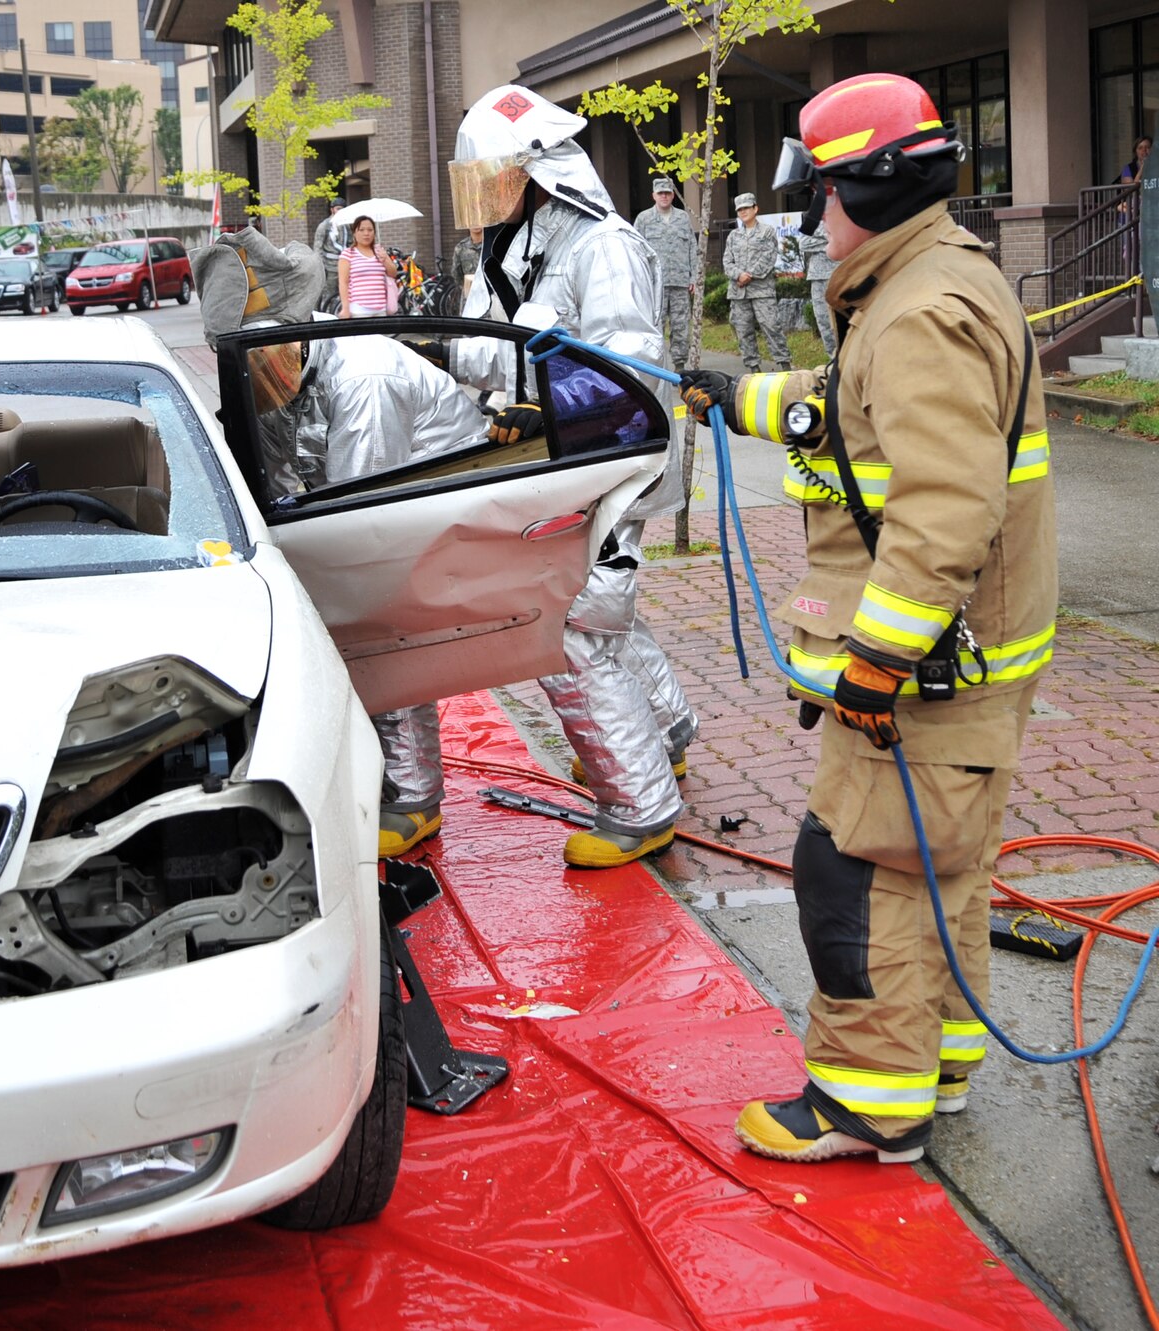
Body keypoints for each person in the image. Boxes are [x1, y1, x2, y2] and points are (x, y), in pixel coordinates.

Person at [678, 73, 1055, 1165]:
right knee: (937, 862)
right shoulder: (922, 281)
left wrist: (878, 660)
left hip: (930, 664)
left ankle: (862, 1101)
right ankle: (931, 1062)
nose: (810, 220)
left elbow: (943, 507)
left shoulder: (918, 311)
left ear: (874, 186)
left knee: (861, 860)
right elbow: (848, 411)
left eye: (822, 194)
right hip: (965, 654)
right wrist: (735, 395)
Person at [447, 82, 698, 869]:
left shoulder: (602, 246)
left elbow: (634, 368)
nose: (485, 195)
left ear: (539, 168)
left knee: (574, 619)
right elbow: (509, 348)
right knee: (607, 603)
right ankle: (666, 729)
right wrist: (441, 348)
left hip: (610, 455)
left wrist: (552, 415)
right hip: (563, 455)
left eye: (496, 174)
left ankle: (641, 806)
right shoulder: (518, 245)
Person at [191, 228, 497, 856]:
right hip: (376, 497)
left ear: (292, 333)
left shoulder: (366, 377)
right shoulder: (273, 371)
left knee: (381, 629)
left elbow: (364, 519)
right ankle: (671, 727)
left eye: (255, 357)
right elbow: (276, 488)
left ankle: (413, 795)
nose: (251, 373)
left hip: (445, 497)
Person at [723, 193, 791, 374]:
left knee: (771, 327)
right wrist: (738, 275)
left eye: (746, 208)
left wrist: (749, 275)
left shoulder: (767, 231)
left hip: (762, 291)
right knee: (743, 331)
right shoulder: (733, 236)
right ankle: (753, 368)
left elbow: (768, 257)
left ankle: (784, 365)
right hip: (739, 293)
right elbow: (727, 262)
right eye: (740, 209)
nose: (743, 212)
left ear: (755, 208)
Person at [633, 178, 696, 373]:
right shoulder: (643, 219)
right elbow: (635, 249)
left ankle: (679, 366)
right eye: (660, 193)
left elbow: (692, 248)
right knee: (655, 326)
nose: (664, 197)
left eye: (667, 193)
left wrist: (693, 277)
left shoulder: (683, 218)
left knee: (680, 327)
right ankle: (657, 367)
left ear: (673, 195)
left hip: (679, 282)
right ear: (653, 195)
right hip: (655, 285)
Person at [338, 215, 401, 318]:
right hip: (359, 309)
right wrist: (345, 308)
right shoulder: (348, 254)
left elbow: (393, 273)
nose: (366, 233)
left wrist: (385, 259)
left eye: (370, 230)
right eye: (361, 230)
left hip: (381, 308)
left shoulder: (379, 251)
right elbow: (343, 282)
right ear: (354, 233)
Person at [798, 222, 840, 359]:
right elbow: (803, 243)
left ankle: (846, 361)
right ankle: (833, 361)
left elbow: (843, 241)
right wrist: (830, 241)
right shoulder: (816, 220)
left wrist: (825, 241)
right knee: (823, 322)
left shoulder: (842, 215)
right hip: (818, 277)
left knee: (841, 322)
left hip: (839, 274)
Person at [311, 199, 347, 303]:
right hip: (330, 266)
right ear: (332, 210)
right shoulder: (325, 226)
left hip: (345, 263)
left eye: (343, 209)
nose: (341, 211)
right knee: (330, 293)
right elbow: (318, 247)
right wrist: (320, 266)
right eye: (338, 209)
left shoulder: (347, 225)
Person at [448, 226, 483, 305]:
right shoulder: (461, 248)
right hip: (469, 296)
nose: (476, 224)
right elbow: (456, 273)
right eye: (472, 221)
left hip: (489, 296)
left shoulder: (492, 245)